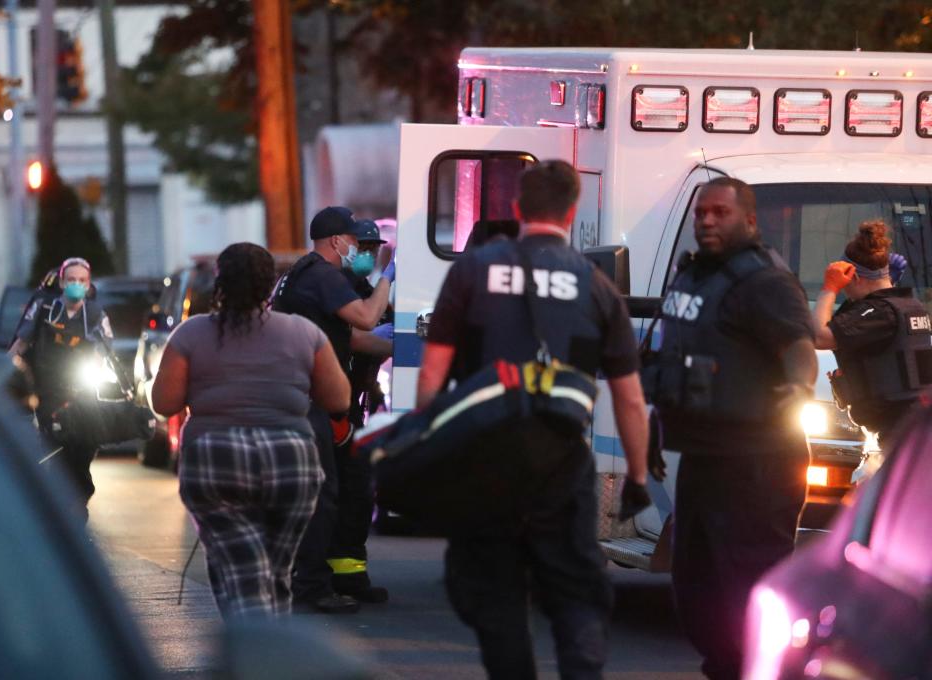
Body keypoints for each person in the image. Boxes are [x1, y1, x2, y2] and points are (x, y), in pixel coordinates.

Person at [417, 160, 651, 679]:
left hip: (487, 460)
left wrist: (429, 450)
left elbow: (432, 375)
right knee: (576, 593)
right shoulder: (595, 286)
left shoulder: (472, 271)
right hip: (560, 463)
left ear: (518, 208)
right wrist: (636, 478)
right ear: (571, 213)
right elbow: (630, 399)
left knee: (495, 593)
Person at [649, 177, 818, 680]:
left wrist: (801, 389)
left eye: (719, 213)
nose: (706, 221)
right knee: (695, 587)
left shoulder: (763, 281)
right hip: (704, 456)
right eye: (702, 213)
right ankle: (727, 667)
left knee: (747, 586)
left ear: (749, 220)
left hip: (757, 463)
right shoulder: (696, 276)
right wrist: (657, 427)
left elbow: (800, 348)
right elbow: (676, 358)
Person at [150, 243, 351, 618]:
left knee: (240, 570)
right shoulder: (304, 333)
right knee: (272, 572)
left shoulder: (191, 335)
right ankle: (266, 648)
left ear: (220, 284)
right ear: (270, 285)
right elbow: (339, 398)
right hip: (290, 461)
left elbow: (164, 404)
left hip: (216, 460)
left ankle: (254, 652)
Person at [271, 206, 395, 613]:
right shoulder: (322, 276)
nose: (359, 249)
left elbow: (353, 340)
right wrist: (388, 279)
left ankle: (345, 576)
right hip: (308, 400)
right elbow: (365, 317)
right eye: (356, 243)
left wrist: (409, 348)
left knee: (353, 485)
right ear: (336, 241)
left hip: (323, 401)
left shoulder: (309, 276)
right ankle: (310, 587)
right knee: (320, 496)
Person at [8, 256, 114, 522]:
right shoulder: (44, 309)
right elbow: (21, 343)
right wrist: (7, 370)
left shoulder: (96, 315)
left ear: (89, 285)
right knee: (54, 448)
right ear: (62, 282)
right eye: (71, 280)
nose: (76, 285)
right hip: (49, 393)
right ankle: (57, 506)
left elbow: (104, 351)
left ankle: (78, 501)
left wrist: (100, 370)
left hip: (83, 394)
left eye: (82, 280)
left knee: (83, 450)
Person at [812, 220, 932, 443]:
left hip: (900, 435)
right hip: (913, 429)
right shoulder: (908, 306)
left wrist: (829, 288)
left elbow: (819, 336)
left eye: (844, 284)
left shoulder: (880, 313)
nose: (843, 291)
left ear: (855, 277)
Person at [327, 218, 394, 602]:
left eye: (373, 249)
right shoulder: (339, 289)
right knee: (347, 491)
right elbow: (356, 337)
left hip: (352, 405)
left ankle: (348, 573)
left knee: (355, 492)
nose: (367, 255)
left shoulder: (362, 288)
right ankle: (341, 575)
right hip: (334, 408)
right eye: (363, 248)